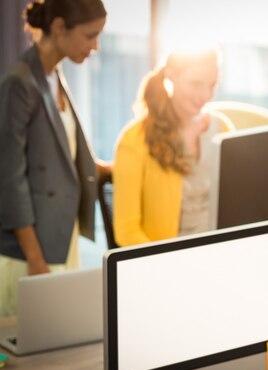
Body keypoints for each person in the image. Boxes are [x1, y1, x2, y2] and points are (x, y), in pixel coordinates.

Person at [0, 0, 109, 318]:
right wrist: (35, 259)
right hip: (29, 252)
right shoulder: (19, 82)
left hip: (60, 236)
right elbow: (9, 179)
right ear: (59, 28)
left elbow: (63, 156)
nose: (96, 46)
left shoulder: (52, 74)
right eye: (90, 35)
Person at [112, 48, 233, 247]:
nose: (205, 95)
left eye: (212, 85)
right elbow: (127, 232)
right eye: (195, 83)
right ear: (171, 77)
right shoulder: (134, 140)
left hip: (220, 251)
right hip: (165, 260)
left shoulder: (223, 128)